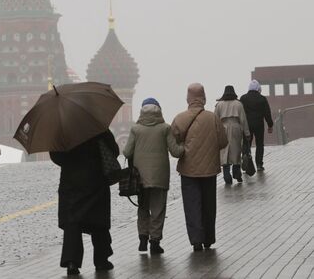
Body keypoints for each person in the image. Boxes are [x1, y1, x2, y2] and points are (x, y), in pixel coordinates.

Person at [50, 131, 118, 275]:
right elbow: (114, 150)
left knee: (72, 222)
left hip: (71, 182)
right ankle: (101, 260)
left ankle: (72, 262)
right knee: (98, 220)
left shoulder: (63, 131)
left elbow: (56, 156)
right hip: (96, 178)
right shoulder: (97, 127)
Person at [123, 98, 184, 255]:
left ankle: (143, 239)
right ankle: (155, 242)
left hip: (140, 178)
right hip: (160, 176)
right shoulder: (165, 128)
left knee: (143, 207)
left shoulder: (136, 129)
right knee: (158, 209)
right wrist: (185, 146)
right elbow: (175, 151)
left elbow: (127, 152)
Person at [171, 83, 228, 251]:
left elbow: (172, 144)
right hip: (209, 170)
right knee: (209, 205)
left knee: (191, 205)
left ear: (188, 98)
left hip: (188, 171)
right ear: (203, 97)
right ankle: (208, 238)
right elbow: (224, 142)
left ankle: (196, 239)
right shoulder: (212, 118)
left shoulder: (180, 119)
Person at [215, 86, 251, 184]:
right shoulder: (238, 104)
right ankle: (236, 172)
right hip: (236, 127)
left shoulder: (219, 105)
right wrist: (247, 133)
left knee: (224, 151)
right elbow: (243, 119)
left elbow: (216, 120)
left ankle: (227, 175)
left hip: (223, 127)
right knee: (236, 150)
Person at [240, 80, 274, 172]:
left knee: (247, 144)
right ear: (258, 88)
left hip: (247, 126)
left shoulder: (243, 98)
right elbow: (267, 113)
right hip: (259, 125)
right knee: (259, 144)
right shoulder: (262, 99)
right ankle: (259, 164)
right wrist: (270, 125)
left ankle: (246, 163)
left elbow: (240, 112)